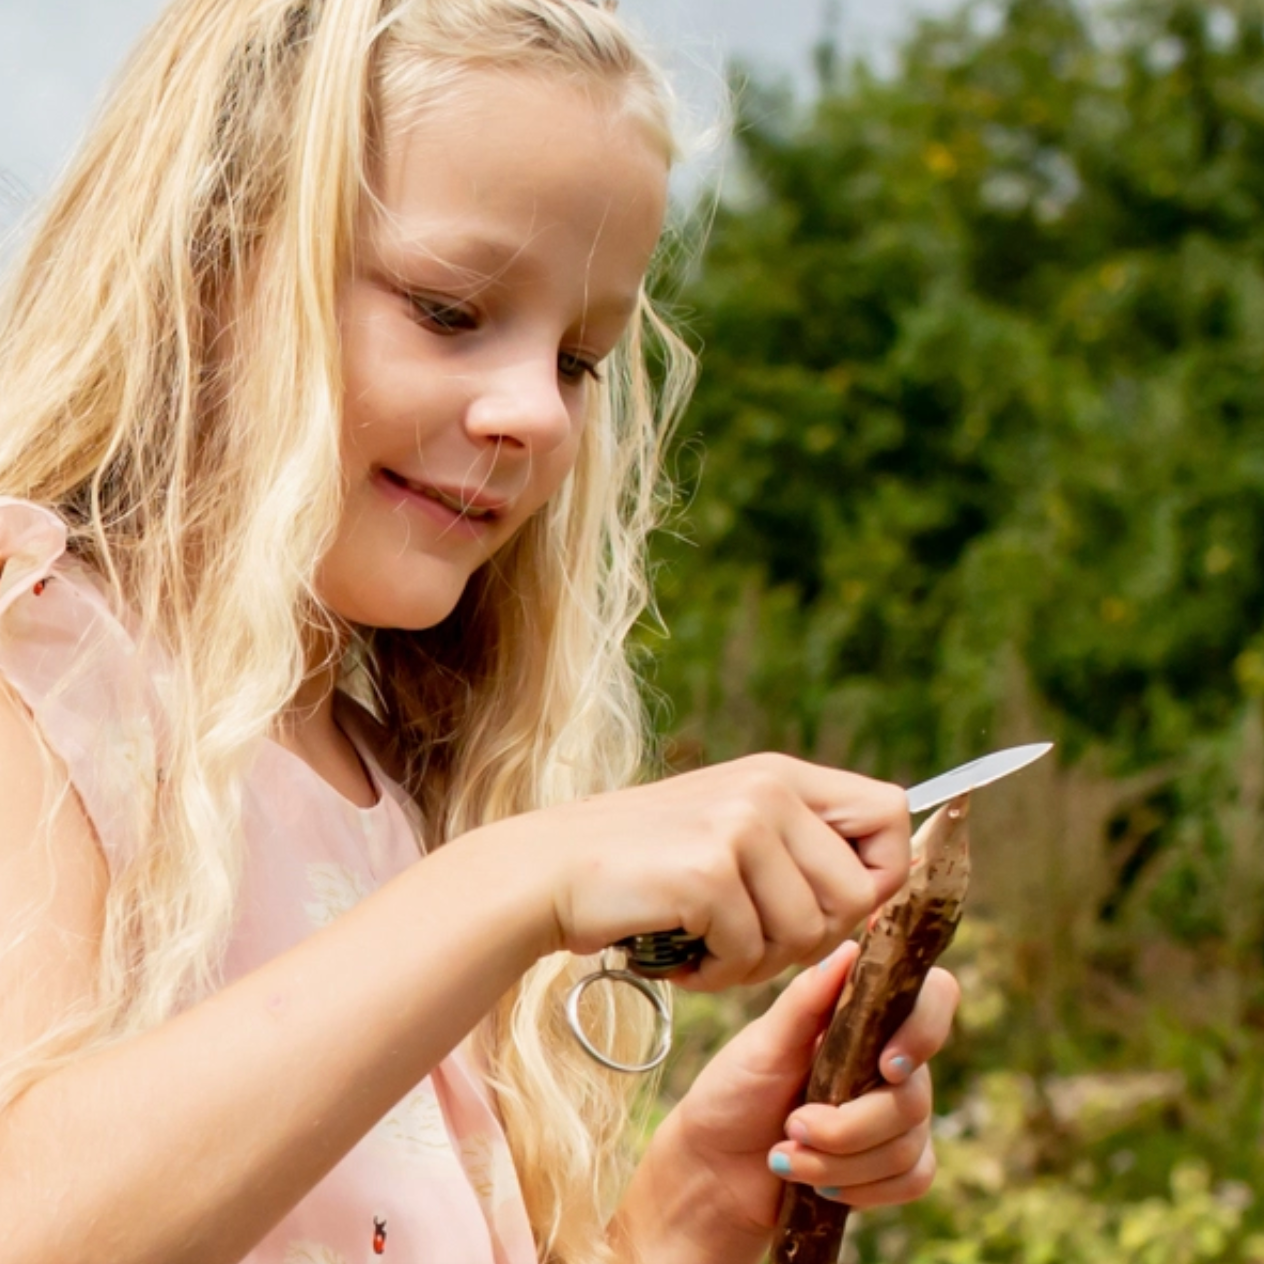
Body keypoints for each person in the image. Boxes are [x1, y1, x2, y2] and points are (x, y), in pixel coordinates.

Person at [0, 1, 959, 1261]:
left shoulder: (394, 793)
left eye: (577, 358)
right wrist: (513, 882)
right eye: (450, 311)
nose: (539, 416)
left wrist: (689, 1220)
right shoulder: (39, 660)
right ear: (210, 262)